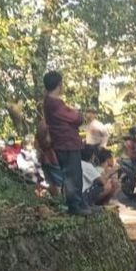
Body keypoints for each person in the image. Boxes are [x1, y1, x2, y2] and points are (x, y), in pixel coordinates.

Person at [41, 70, 91, 215]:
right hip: (66, 143)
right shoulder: (54, 103)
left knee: (76, 174)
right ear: (59, 85)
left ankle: (80, 203)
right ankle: (74, 206)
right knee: (72, 175)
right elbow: (77, 119)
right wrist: (75, 114)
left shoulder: (51, 102)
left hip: (68, 143)